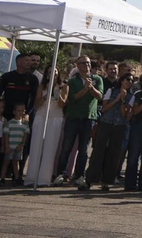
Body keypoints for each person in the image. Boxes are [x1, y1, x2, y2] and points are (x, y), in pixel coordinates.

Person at [55, 55, 102, 187]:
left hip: (89, 118)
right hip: (73, 117)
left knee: (83, 150)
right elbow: (72, 98)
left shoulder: (97, 79)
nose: (86, 65)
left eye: (88, 63)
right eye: (83, 63)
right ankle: (61, 174)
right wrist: (85, 89)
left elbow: (99, 96)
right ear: (77, 65)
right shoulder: (72, 81)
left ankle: (79, 175)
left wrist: (91, 88)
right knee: (66, 148)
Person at [84, 73, 130, 192]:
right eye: (127, 79)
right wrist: (117, 99)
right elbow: (104, 108)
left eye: (131, 80)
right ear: (122, 80)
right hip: (106, 123)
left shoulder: (130, 95)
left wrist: (123, 100)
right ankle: (90, 180)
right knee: (98, 151)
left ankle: (107, 181)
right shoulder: (111, 91)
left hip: (119, 125)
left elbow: (124, 114)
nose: (129, 82)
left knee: (114, 154)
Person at [1, 102, 30, 184]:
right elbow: (6, 135)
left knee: (15, 163)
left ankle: (16, 178)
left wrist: (21, 145)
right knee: (6, 162)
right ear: (14, 112)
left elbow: (25, 135)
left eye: (22, 111)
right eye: (18, 111)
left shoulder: (25, 124)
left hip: (18, 147)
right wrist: (6, 146)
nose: (20, 112)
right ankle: (2, 178)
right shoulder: (10, 123)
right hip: (10, 146)